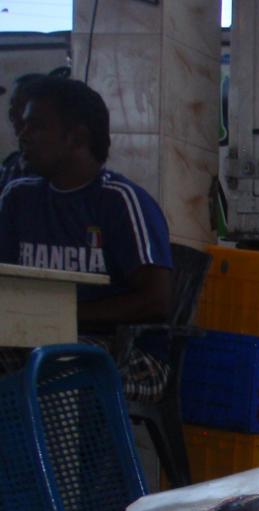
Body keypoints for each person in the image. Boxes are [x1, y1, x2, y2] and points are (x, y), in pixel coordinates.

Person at [0, 76, 174, 402]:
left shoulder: (120, 201)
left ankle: (58, 456)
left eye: (36, 126)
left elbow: (156, 301)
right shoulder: (17, 197)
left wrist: (60, 317)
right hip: (34, 338)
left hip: (128, 354)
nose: (22, 136)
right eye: (22, 126)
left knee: (56, 359)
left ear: (76, 137)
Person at [0, 73, 45, 192]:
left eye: (20, 106)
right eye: (12, 106)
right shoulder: (11, 164)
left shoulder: (52, 166)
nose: (12, 114)